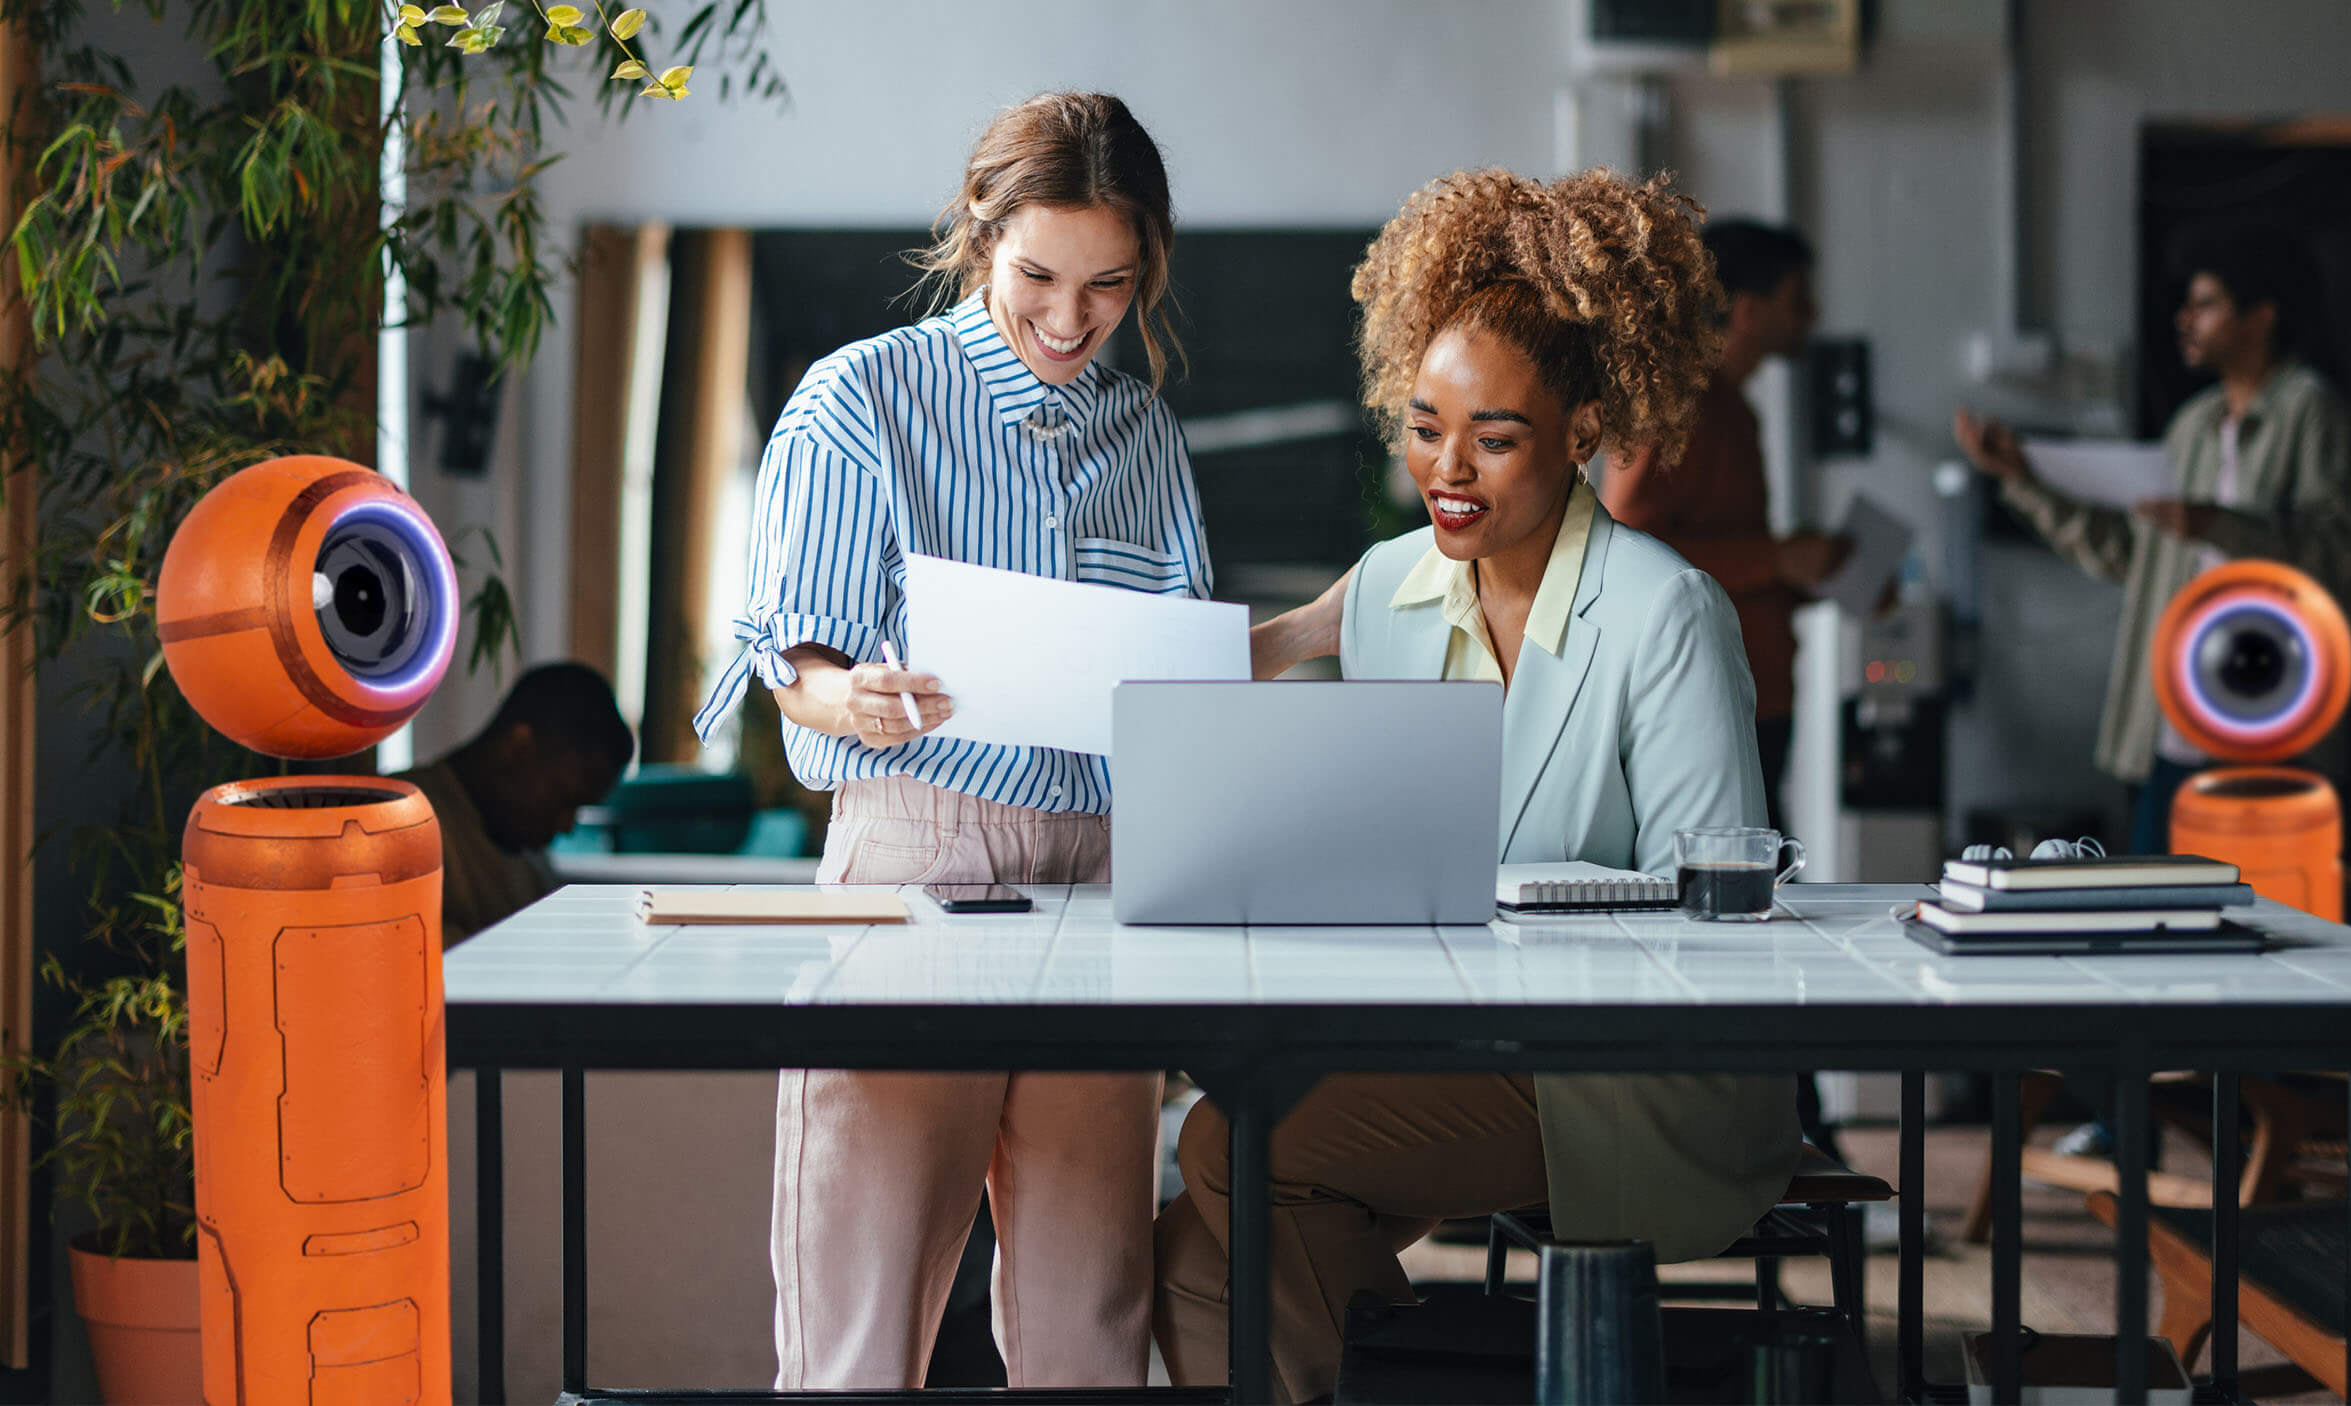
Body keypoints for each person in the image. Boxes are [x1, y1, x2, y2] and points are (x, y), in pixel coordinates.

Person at [1152, 168, 1802, 1403]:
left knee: (1229, 1147)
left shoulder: (1663, 611)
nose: (1446, 468)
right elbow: (1378, 841)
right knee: (1187, 1261)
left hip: (1627, 1059)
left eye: (1494, 437)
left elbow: (1721, 920)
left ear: (1583, 430)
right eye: (1422, 423)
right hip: (1448, 1034)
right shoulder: (1393, 586)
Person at [693, 91, 1263, 1391]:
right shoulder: (861, 401)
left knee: (1091, 1332)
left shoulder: (1145, 437)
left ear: (1147, 268)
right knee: (860, 1337)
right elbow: (797, 664)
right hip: (916, 861)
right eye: (1039, 277)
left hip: (1101, 887)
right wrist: (852, 697)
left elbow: (1167, 681)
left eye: (1110, 285)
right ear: (978, 234)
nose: (1072, 321)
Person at [1954, 221, 2351, 856]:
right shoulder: (2194, 426)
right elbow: (2128, 554)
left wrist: (2218, 527)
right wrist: (2022, 479)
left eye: (2206, 304)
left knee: (2264, 920)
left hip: (2269, 730)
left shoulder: (2310, 411)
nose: (2186, 320)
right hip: (2178, 725)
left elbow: (2336, 558)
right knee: (2158, 915)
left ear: (2262, 316)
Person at [1598, 219, 1846, 834]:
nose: (1813, 315)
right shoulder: (1680, 406)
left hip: (1754, 693)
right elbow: (1624, 543)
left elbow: (1717, 556)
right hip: (1709, 702)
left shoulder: (1732, 406)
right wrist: (1776, 560)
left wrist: (1802, 568)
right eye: (1798, 299)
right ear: (1749, 311)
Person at [393, 661, 633, 945]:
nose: (567, 825)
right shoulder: (402, 824)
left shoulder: (522, 844)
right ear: (519, 747)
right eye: (564, 799)